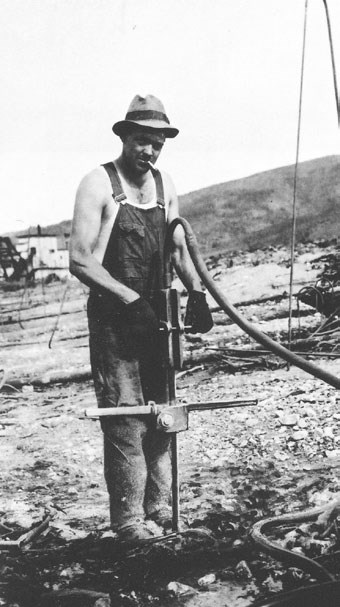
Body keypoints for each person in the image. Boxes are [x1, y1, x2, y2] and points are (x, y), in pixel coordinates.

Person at [69, 94, 213, 544]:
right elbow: (78, 259)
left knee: (164, 414)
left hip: (160, 316)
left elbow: (176, 247)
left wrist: (197, 292)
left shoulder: (165, 185)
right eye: (140, 141)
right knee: (126, 416)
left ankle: (162, 511)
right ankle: (129, 522)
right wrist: (130, 300)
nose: (148, 152)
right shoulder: (98, 183)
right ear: (124, 137)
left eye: (156, 144)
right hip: (117, 318)